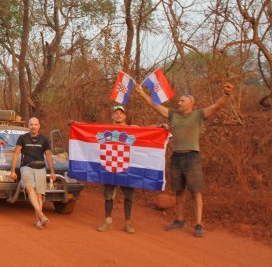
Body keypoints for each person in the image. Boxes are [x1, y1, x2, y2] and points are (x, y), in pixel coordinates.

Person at [136, 81, 234, 237]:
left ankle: (198, 224)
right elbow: (154, 106)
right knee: (179, 191)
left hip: (192, 157)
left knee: (195, 191)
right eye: (179, 100)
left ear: (191, 103)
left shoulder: (198, 115)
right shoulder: (173, 115)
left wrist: (226, 94)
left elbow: (216, 106)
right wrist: (141, 93)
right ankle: (179, 220)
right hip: (176, 157)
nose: (179, 102)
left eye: (182, 100)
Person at [96, 105, 138, 234]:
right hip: (110, 166)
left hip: (126, 167)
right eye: (116, 113)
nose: (118, 115)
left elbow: (149, 131)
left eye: (121, 113)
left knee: (129, 195)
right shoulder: (106, 130)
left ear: (125, 116)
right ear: (112, 116)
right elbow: (90, 130)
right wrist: (76, 125)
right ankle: (108, 221)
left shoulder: (133, 130)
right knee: (108, 194)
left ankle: (128, 222)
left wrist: (160, 127)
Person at [10, 117, 56, 230]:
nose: (33, 126)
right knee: (30, 189)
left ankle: (38, 221)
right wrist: (12, 171)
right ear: (28, 126)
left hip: (40, 168)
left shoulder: (44, 139)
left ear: (39, 126)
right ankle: (41, 215)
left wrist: (53, 172)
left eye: (35, 124)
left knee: (39, 194)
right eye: (31, 124)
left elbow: (49, 156)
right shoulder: (22, 138)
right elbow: (16, 154)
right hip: (27, 167)